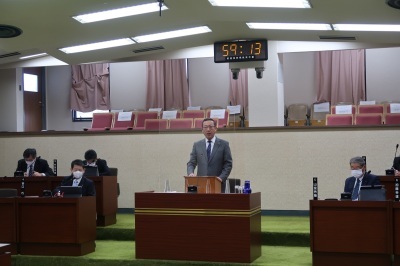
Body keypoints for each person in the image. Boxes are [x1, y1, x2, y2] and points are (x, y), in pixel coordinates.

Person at [187, 118, 233, 193]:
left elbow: (228, 164)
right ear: (202, 130)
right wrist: (191, 173)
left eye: (211, 127)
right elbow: (191, 163)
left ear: (215, 129)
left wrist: (221, 178)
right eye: (205, 127)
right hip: (201, 185)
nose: (208, 129)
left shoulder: (224, 144)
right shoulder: (197, 145)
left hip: (218, 184)